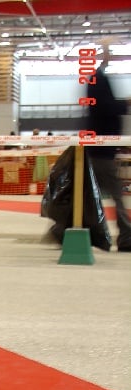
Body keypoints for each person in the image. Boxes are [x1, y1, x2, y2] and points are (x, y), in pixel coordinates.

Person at [86, 44, 131, 251]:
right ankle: (126, 236)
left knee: (93, 195)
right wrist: (125, 104)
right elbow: (103, 108)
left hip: (102, 149)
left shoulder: (98, 79)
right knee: (115, 194)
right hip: (101, 150)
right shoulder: (96, 80)